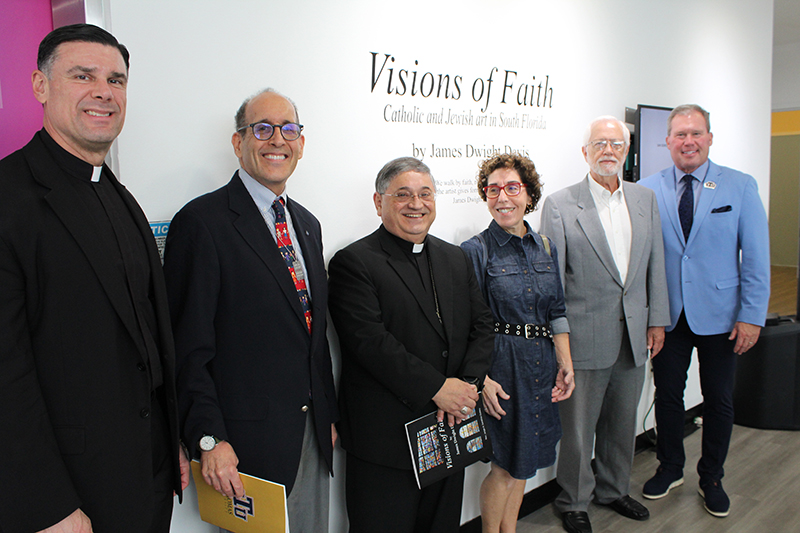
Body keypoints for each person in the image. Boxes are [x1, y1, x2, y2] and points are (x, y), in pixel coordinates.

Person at [0, 24, 189, 533]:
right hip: (68, 495)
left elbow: (147, 337)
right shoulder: (8, 196)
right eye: (83, 76)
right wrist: (47, 504)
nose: (104, 92)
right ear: (40, 86)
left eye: (117, 79)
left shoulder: (120, 196)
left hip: (146, 478)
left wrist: (170, 439)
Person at [162, 89, 338, 532]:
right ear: (238, 142)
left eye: (289, 129)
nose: (277, 139)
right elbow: (188, 348)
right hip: (245, 446)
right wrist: (209, 438)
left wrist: (326, 416)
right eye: (262, 129)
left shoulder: (307, 224)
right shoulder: (202, 223)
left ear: (301, 143)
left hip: (311, 437)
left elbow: (311, 336)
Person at [327, 157, 494, 533]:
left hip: (448, 427)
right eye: (402, 194)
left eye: (424, 194)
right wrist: (438, 388)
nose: (415, 204)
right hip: (385, 441)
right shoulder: (354, 262)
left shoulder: (454, 257)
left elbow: (482, 325)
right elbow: (368, 343)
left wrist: (465, 389)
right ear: (378, 202)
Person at [540, 116, 670, 533]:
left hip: (635, 334)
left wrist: (657, 321)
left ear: (627, 150)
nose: (608, 151)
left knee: (622, 422)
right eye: (599, 144)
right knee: (578, 430)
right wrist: (559, 342)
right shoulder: (560, 204)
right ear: (585, 152)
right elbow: (552, 282)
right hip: (582, 337)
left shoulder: (645, 199)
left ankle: (614, 489)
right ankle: (573, 499)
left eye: (616, 143)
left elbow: (655, 265)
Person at [639, 104, 770, 518]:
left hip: (723, 315)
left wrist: (752, 314)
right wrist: (648, 314)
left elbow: (756, 256)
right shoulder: (646, 188)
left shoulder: (739, 186)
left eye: (696, 133)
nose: (688, 141)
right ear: (668, 141)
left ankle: (711, 477)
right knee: (668, 397)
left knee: (718, 400)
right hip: (668, 317)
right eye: (680, 134)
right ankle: (670, 467)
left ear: (710, 138)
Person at [460, 153, 575, 533]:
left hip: (540, 365)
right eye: (493, 190)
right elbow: (466, 325)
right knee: (505, 465)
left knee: (526, 460)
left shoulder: (544, 245)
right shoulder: (476, 250)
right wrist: (482, 380)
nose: (502, 198)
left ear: (529, 194)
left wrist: (565, 362)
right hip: (502, 366)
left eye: (512, 188)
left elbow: (556, 310)